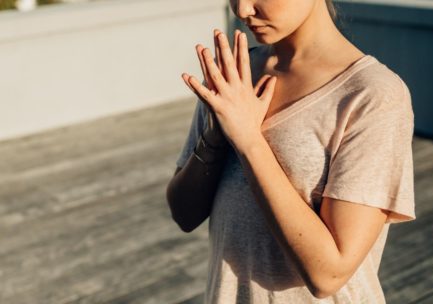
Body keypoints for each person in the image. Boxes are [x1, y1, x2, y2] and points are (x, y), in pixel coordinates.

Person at [166, 0, 416, 303]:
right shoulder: (233, 77)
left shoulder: (371, 95)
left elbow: (329, 275)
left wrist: (248, 140)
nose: (243, 9)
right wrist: (215, 138)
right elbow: (184, 214)